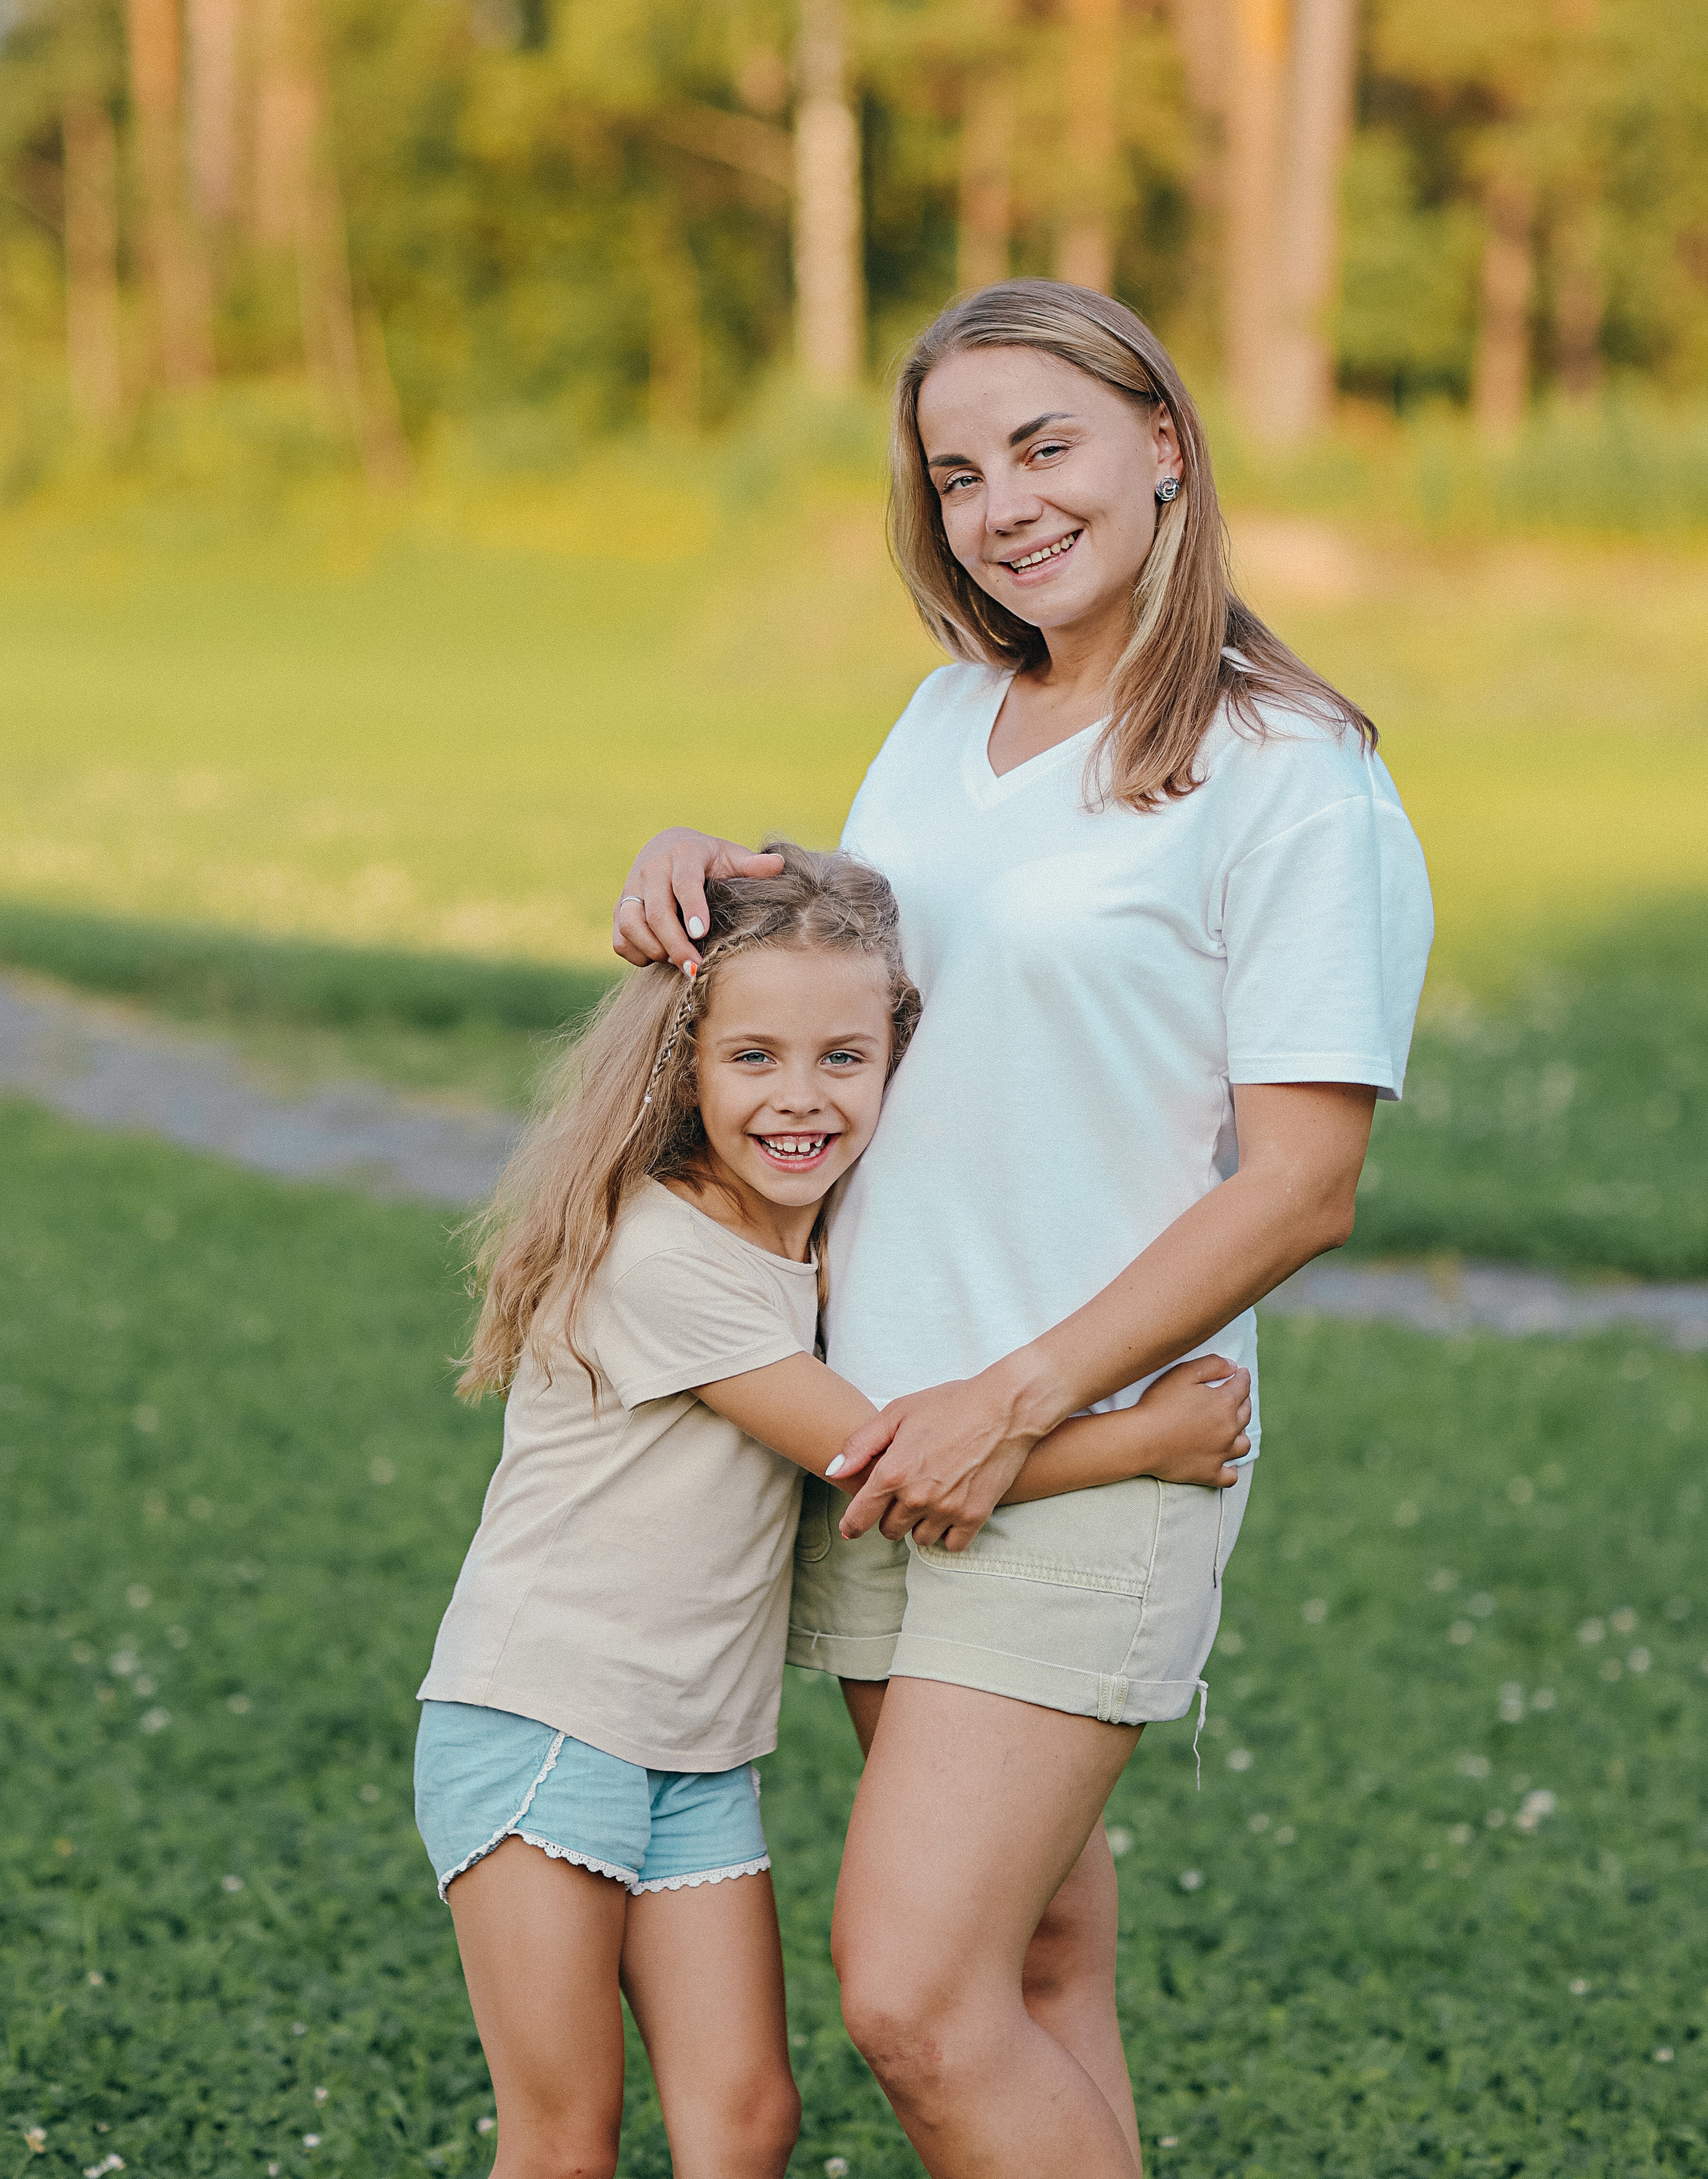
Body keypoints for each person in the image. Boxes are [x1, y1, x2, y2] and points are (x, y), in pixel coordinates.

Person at [611, 282, 1435, 2179]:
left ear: (1166, 443)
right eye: (958, 472)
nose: (1003, 506)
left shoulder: (1295, 773)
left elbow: (1307, 1181)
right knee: (1042, 1963)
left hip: (1074, 1443)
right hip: (883, 1437)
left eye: (1044, 446)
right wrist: (705, 874)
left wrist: (1019, 1395)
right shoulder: (945, 715)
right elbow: (876, 985)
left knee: (911, 1991)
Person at [415, 841, 1253, 2179]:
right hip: (544, 1720)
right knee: (564, 2140)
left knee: (746, 2121)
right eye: (751, 1058)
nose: (798, 1099)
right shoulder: (660, 1256)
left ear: (893, 1058)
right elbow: (874, 1466)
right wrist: (1142, 1438)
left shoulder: (806, 1233)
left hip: (692, 1750)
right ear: (678, 1065)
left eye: (841, 1060)